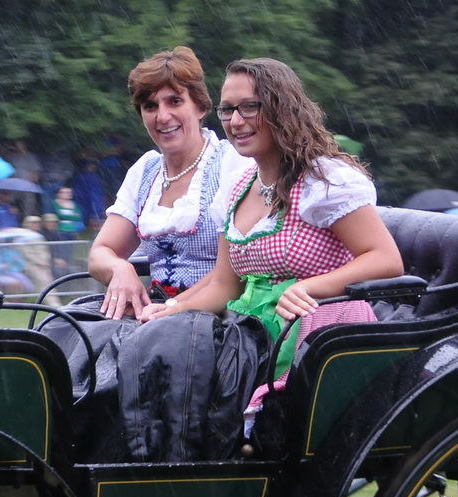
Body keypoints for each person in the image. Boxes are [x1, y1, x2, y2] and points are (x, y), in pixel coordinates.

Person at [138, 58, 402, 418]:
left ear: (282, 108)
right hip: (252, 330)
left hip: (315, 329)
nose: (235, 121)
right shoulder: (237, 186)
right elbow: (224, 285)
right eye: (228, 109)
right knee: (166, 362)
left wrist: (311, 287)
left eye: (249, 107)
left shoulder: (323, 181)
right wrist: (170, 311)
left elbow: (385, 259)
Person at [88, 46, 252, 320]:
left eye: (174, 101)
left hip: (219, 314)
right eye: (150, 106)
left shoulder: (233, 163)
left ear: (200, 106)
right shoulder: (145, 171)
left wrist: (174, 308)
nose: (162, 117)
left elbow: (238, 269)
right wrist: (121, 269)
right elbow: (101, 253)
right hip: (156, 313)